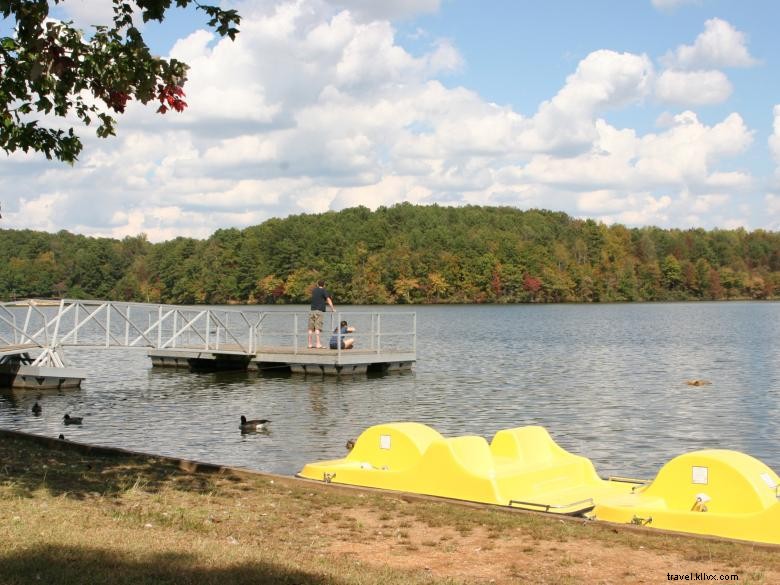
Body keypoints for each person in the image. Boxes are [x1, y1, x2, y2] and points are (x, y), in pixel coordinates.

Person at [308, 279, 334, 348]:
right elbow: (328, 299)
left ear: (317, 284)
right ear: (324, 285)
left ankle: (310, 344)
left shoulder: (314, 290)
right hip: (319, 311)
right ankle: (318, 344)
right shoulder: (323, 290)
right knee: (317, 328)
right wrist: (332, 309)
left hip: (312, 311)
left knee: (310, 328)